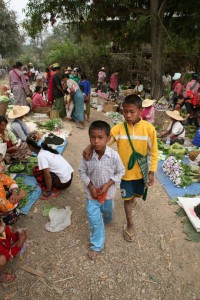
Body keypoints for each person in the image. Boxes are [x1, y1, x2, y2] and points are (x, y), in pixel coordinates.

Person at [83, 95, 158, 242]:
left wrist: (152, 172)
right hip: (124, 175)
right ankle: (130, 224)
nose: (128, 115)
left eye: (132, 112)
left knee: (137, 195)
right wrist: (89, 146)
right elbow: (103, 140)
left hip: (141, 173)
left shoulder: (149, 129)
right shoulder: (118, 129)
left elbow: (154, 152)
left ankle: (134, 198)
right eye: (125, 111)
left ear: (141, 111)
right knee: (127, 200)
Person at [79, 121, 125, 260]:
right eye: (93, 137)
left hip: (108, 194)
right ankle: (97, 245)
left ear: (108, 139)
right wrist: (91, 186)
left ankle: (108, 218)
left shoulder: (114, 156)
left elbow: (121, 171)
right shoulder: (87, 155)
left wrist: (108, 184)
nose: (96, 141)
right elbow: (82, 172)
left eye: (100, 137)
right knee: (93, 218)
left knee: (107, 210)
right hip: (91, 195)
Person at [0, 218, 27, 283]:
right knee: (2, 259)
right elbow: (9, 255)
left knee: (9, 228)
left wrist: (17, 236)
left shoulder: (2, 232)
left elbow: (5, 239)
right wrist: (20, 244)